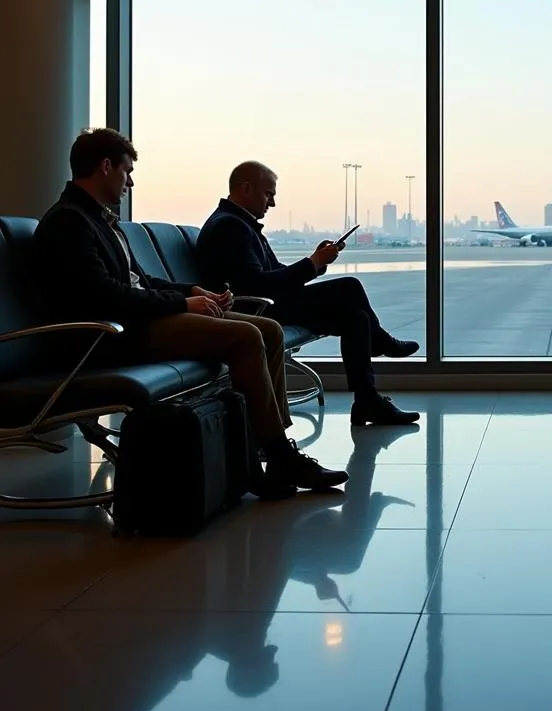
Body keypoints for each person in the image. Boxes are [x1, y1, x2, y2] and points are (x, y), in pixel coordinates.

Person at [32, 129, 347, 499]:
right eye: (126, 171)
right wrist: (182, 305)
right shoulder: (69, 222)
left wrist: (191, 292)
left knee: (268, 330)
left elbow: (139, 281)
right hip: (107, 336)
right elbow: (105, 296)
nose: (129, 182)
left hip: (134, 321)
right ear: (105, 167)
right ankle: (276, 455)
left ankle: (272, 448)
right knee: (245, 336)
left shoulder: (97, 221)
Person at [196, 161, 420, 427]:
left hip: (266, 302)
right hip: (255, 309)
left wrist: (316, 263)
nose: (273, 203)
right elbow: (257, 285)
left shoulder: (239, 223)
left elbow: (273, 274)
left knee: (356, 318)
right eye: (269, 194)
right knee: (350, 287)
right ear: (246, 188)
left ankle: (367, 401)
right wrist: (312, 263)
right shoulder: (230, 227)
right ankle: (381, 342)